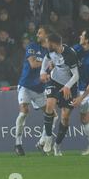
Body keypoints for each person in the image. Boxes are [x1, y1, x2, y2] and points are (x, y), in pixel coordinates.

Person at [14, 26, 55, 156]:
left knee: (53, 116)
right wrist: (47, 63)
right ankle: (18, 143)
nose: (37, 34)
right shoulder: (32, 46)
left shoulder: (51, 51)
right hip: (25, 85)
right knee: (24, 111)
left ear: (47, 35)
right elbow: (32, 64)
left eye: (40, 32)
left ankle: (42, 142)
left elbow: (53, 69)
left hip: (39, 89)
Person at [40, 33, 79, 155]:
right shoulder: (51, 51)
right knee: (49, 105)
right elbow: (46, 59)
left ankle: (57, 145)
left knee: (65, 116)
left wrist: (67, 86)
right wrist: (42, 71)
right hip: (54, 81)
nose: (46, 45)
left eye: (48, 43)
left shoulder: (70, 54)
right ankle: (48, 138)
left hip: (69, 85)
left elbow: (76, 75)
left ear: (54, 43)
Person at [72, 29, 89, 155]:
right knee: (84, 119)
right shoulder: (78, 49)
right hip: (81, 89)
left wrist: (81, 98)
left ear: (87, 40)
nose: (80, 36)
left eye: (82, 35)